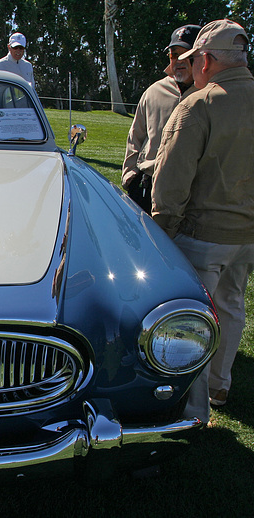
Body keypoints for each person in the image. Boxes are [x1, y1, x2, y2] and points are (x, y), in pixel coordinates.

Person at [152, 19, 254, 424]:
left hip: (203, 237)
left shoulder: (199, 105)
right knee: (232, 306)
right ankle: (220, 384)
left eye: (195, 59)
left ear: (206, 60)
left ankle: (194, 410)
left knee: (193, 323)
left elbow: (170, 181)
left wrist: (162, 232)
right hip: (247, 237)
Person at [122, 25, 200, 213]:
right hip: (147, 186)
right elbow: (136, 135)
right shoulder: (154, 91)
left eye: (185, 55)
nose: (179, 61)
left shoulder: (209, 94)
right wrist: (130, 176)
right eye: (173, 55)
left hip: (192, 193)